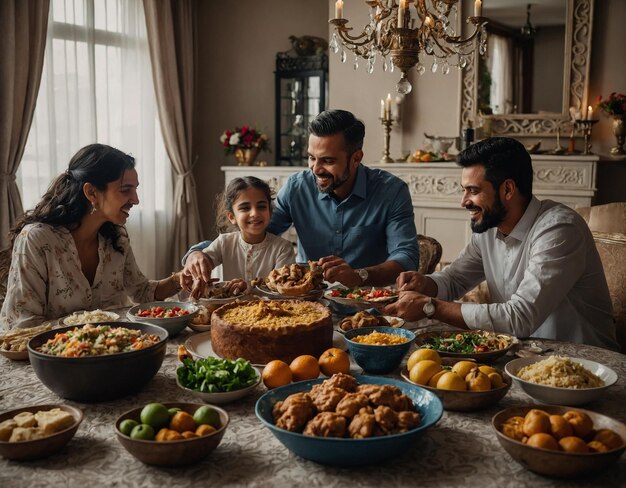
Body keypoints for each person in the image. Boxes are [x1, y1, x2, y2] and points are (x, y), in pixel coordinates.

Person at [383, 137, 618, 350]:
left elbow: (520, 317)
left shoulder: (559, 229)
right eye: (463, 190)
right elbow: (453, 280)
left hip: (585, 362)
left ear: (507, 189)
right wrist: (425, 284)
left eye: (473, 191)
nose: (463, 202)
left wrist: (431, 306)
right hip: (525, 356)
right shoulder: (489, 227)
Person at [182, 109, 419, 288]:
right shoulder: (297, 187)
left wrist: (360, 275)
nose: (315, 169)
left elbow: (406, 257)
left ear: (356, 158)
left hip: (368, 302)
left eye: (327, 160)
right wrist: (199, 252)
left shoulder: (391, 191)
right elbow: (257, 231)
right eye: (311, 158)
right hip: (308, 302)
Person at [0, 143, 183, 330]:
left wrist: (181, 279)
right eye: (126, 190)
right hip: (49, 355)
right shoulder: (37, 240)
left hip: (102, 350)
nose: (136, 199)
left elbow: (142, 291)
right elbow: (24, 325)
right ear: (91, 192)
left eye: (135, 189)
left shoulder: (116, 238)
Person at [180, 176, 295, 297]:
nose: (255, 213)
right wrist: (193, 269)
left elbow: (283, 291)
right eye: (245, 208)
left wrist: (248, 287)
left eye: (261, 206)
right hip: (224, 313)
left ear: (270, 213)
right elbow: (200, 263)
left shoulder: (283, 248)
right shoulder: (224, 242)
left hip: (270, 312)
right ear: (232, 217)